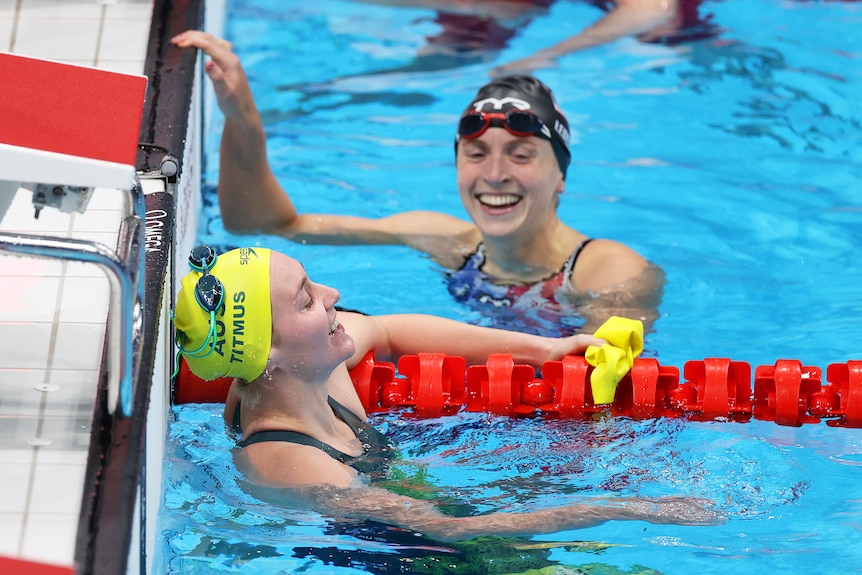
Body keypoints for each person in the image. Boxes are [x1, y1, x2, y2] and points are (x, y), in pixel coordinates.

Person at [173, 245, 720, 542]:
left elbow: (389, 329)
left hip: (421, 506)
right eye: (306, 300)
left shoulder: (312, 366)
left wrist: (542, 350)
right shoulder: (289, 460)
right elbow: (451, 530)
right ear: (267, 353)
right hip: (410, 556)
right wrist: (619, 507)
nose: (333, 295)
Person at [171, 30, 664, 337]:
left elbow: (604, 405)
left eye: (521, 155)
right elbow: (266, 223)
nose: (494, 174)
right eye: (476, 154)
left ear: (561, 176)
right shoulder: (446, 241)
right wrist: (243, 120)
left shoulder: (607, 272)